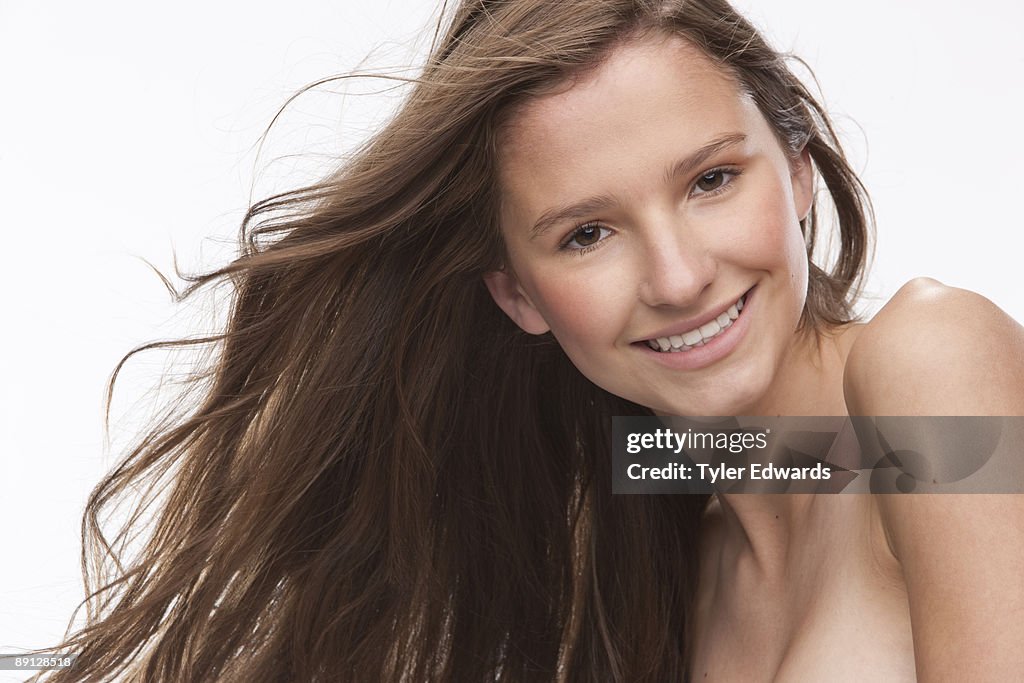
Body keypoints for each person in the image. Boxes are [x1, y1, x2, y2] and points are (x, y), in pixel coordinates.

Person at [34, 0, 1024, 680]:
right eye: (586, 233)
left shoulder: (930, 359)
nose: (678, 277)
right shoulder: (663, 539)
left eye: (711, 180)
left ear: (798, 173)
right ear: (517, 293)